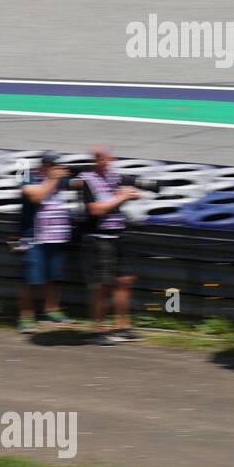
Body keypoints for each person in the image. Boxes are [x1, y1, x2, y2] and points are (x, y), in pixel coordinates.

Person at [77, 148, 142, 345]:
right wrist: (121, 197)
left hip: (119, 235)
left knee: (125, 281)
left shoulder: (113, 178)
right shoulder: (86, 180)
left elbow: (137, 193)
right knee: (101, 286)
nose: (105, 162)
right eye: (100, 158)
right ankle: (99, 330)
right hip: (99, 238)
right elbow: (95, 209)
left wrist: (130, 194)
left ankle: (122, 327)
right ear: (94, 160)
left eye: (107, 158)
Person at [17, 152, 74, 333]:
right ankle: (26, 318)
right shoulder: (26, 174)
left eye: (56, 166)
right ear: (43, 166)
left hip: (56, 237)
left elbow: (79, 183)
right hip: (33, 237)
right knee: (30, 280)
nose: (54, 169)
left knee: (54, 278)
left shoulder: (58, 179)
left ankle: (52, 310)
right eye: (51, 166)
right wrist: (51, 179)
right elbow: (35, 196)